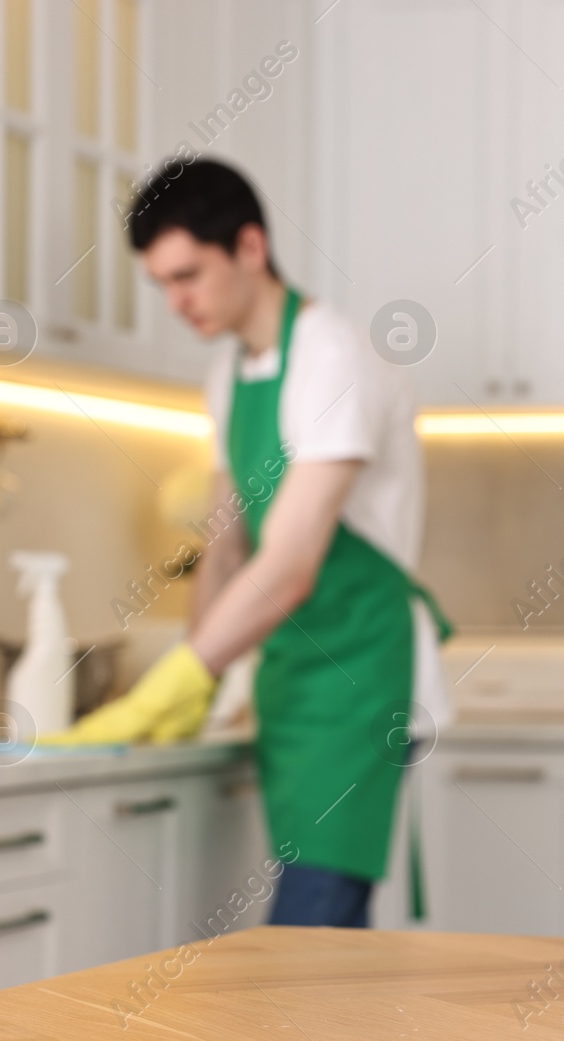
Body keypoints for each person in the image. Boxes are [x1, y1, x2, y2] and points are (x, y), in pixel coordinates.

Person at [49, 158, 450, 928]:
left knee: (306, 938)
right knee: (314, 959)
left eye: (189, 275)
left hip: (359, 677)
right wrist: (206, 677)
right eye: (161, 283)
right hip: (288, 677)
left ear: (251, 247)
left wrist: (168, 683)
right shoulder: (228, 373)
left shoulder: (334, 357)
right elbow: (227, 546)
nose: (177, 301)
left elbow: (292, 564)